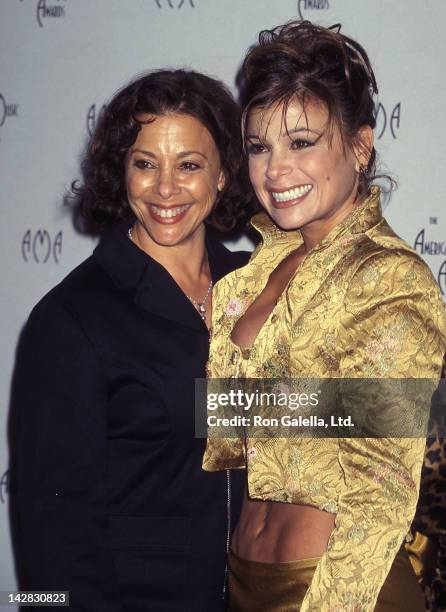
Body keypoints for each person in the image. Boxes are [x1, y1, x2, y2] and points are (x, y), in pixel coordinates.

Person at [202, 21, 446, 611]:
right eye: (259, 147)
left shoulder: (386, 278)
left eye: (302, 142)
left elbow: (381, 488)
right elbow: (232, 438)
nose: (275, 171)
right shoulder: (252, 275)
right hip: (242, 582)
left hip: (335, 589)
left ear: (360, 145)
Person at [12, 69, 253, 611]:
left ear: (223, 175)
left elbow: (322, 416)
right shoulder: (71, 319)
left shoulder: (258, 289)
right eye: (145, 163)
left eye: (189, 165)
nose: (166, 188)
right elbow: (52, 534)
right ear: (122, 172)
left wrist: (419, 410)